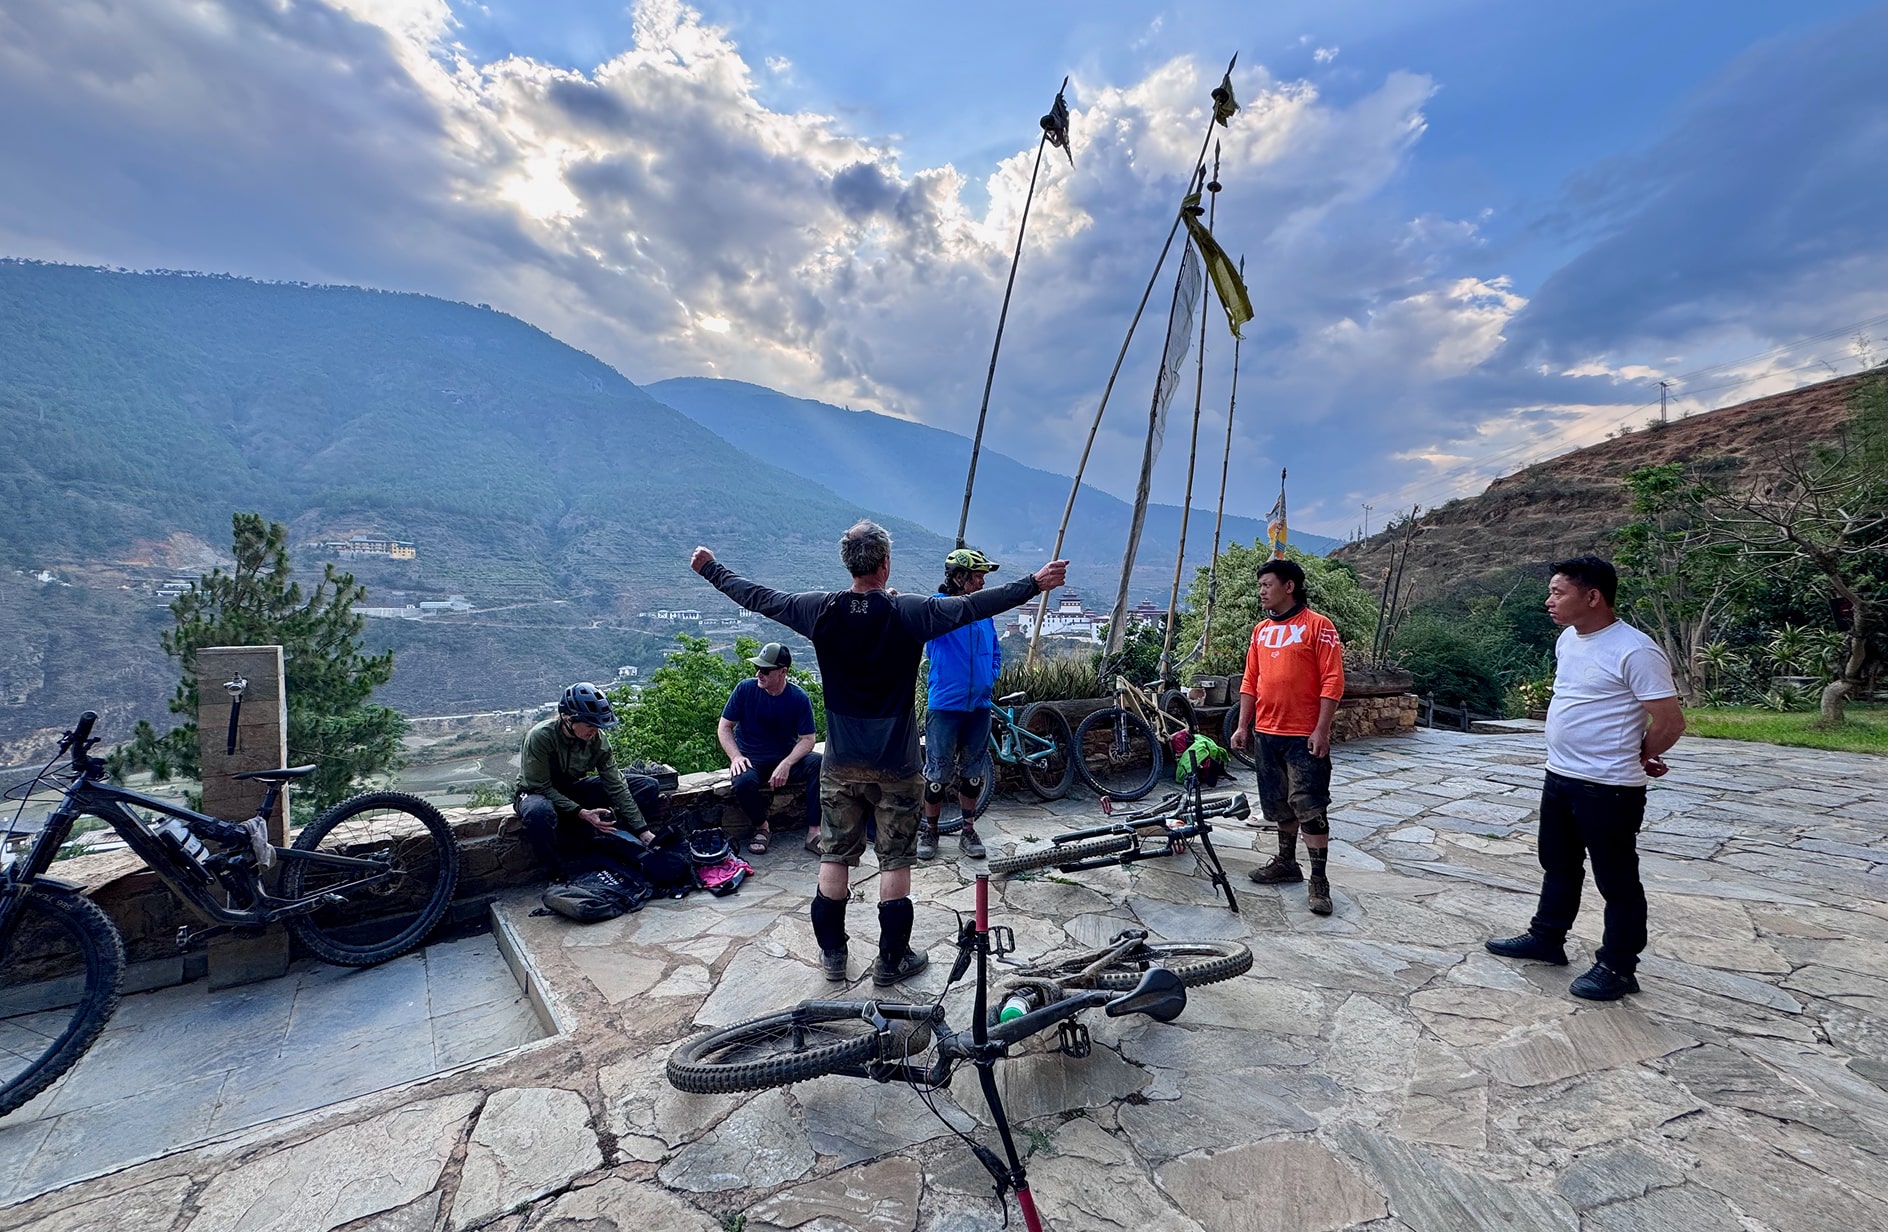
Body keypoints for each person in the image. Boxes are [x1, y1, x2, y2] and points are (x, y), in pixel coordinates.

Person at [691, 523, 1067, 986]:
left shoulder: (819, 609)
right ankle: (892, 960)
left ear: (848, 563)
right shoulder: (908, 611)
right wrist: (1034, 582)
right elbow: (973, 606)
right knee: (895, 862)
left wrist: (711, 569)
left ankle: (833, 955)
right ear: (885, 563)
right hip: (897, 764)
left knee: (835, 857)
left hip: (842, 763)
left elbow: (759, 597)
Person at [1485, 556, 1684, 1001]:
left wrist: (1641, 754)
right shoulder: (1569, 641)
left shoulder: (1634, 649)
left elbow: (1670, 721)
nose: (1549, 600)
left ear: (1592, 597)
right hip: (1560, 776)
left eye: (1559, 592)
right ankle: (1547, 938)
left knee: (1616, 880)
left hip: (1609, 786)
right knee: (1557, 864)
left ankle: (1618, 965)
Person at [1229, 557, 1346, 916]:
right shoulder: (1261, 631)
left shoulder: (1318, 626)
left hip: (1303, 735)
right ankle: (1286, 862)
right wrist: (1243, 725)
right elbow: (1251, 680)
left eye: (1267, 584)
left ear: (1289, 586)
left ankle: (1319, 880)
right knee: (1278, 804)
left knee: (1310, 806)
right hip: (1267, 732)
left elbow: (1333, 680)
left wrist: (1322, 728)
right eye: (1260, 585)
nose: (1261, 591)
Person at [515, 683, 666, 878]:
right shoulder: (541, 737)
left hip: (572, 790)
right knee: (538, 812)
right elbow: (541, 786)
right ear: (568, 719)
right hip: (536, 793)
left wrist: (642, 830)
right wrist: (581, 812)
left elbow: (615, 784)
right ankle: (556, 873)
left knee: (647, 786)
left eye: (598, 725)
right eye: (589, 725)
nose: (594, 731)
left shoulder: (597, 740)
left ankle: (613, 840)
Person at [918, 548, 1004, 861]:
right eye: (977, 575)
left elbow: (995, 651)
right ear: (958, 577)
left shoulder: (984, 614)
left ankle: (968, 830)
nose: (982, 581)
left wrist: (990, 676)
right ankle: (931, 830)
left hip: (979, 706)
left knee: (973, 774)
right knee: (938, 775)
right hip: (945, 706)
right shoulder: (938, 609)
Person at [718, 641, 822, 856]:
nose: (759, 674)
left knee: (818, 764)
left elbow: (808, 739)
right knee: (743, 781)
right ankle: (762, 827)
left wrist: (787, 763)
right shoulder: (745, 689)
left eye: (765, 670)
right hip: (751, 759)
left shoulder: (798, 698)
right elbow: (724, 727)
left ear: (783, 672)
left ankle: (814, 831)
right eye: (757, 668)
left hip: (784, 757)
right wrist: (735, 757)